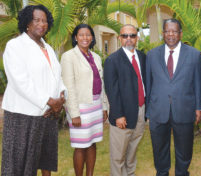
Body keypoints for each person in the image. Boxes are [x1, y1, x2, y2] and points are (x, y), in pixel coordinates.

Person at [1, 5, 65, 176]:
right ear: (27, 23)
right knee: (19, 165)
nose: (41, 24)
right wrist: (49, 101)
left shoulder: (48, 48)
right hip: (22, 115)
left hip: (47, 114)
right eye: (37, 20)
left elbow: (57, 76)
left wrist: (61, 98)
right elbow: (20, 81)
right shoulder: (15, 46)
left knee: (45, 159)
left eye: (44, 21)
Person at [146, 19, 201, 176]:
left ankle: (182, 173)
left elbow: (198, 83)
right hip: (158, 110)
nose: (171, 34)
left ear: (180, 33)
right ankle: (162, 172)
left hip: (184, 109)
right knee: (159, 149)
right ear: (163, 33)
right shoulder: (151, 55)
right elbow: (148, 84)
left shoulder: (194, 54)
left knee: (184, 150)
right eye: (167, 31)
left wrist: (199, 107)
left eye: (174, 31)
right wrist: (148, 111)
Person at [60, 24, 108, 176]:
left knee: (92, 143)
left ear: (92, 37)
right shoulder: (68, 57)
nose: (85, 38)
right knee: (80, 146)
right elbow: (69, 86)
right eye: (81, 35)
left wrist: (104, 107)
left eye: (88, 35)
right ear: (75, 37)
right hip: (80, 107)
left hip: (95, 105)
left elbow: (102, 83)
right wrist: (74, 113)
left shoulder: (96, 57)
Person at [104, 24, 146, 176]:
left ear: (137, 38)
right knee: (118, 156)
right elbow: (111, 90)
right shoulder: (112, 60)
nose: (129, 39)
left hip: (140, 112)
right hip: (122, 115)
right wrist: (119, 114)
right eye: (125, 36)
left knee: (132, 152)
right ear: (119, 38)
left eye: (132, 36)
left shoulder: (142, 57)